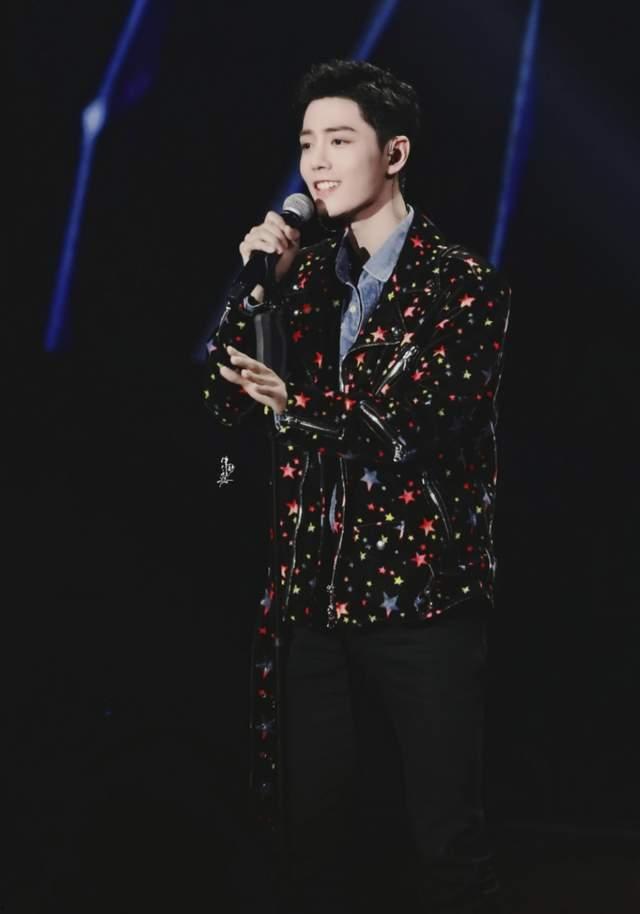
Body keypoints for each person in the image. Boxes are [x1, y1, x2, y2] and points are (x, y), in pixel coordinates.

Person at [203, 59, 511, 914]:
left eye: (339, 140)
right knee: (314, 843)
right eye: (308, 143)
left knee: (444, 842)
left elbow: (411, 426)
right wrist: (254, 291)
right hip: (313, 603)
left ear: (395, 152)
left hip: (423, 601)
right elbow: (222, 403)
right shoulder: (301, 279)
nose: (317, 163)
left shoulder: (463, 285)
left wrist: (294, 403)